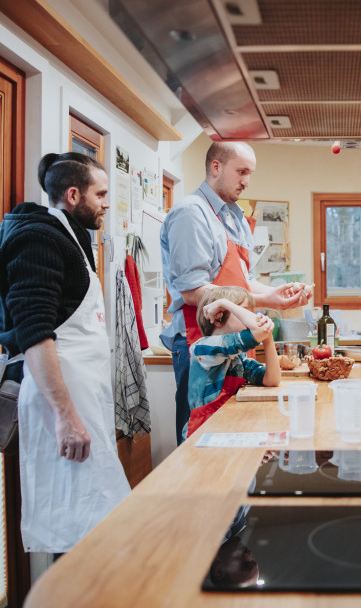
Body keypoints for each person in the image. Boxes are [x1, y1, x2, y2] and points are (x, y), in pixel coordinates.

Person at [0, 152, 130, 554]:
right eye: (101, 194)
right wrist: (66, 417)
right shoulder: (38, 239)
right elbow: (34, 334)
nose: (107, 203)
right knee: (74, 524)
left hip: (84, 398)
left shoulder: (73, 238)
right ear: (73, 195)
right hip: (61, 405)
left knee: (94, 517)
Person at [160, 140, 309, 443]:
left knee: (236, 429)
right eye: (241, 171)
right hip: (200, 338)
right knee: (199, 440)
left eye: (250, 173)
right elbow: (193, 291)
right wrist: (256, 305)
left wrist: (275, 296)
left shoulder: (235, 217)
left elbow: (244, 281)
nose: (247, 181)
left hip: (235, 333)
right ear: (216, 167)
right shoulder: (191, 213)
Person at [186, 286, 280, 438]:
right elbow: (257, 330)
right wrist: (225, 303)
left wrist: (268, 337)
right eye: (244, 311)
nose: (253, 317)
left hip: (227, 425)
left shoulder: (237, 358)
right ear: (218, 317)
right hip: (203, 432)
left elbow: (272, 379)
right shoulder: (203, 349)